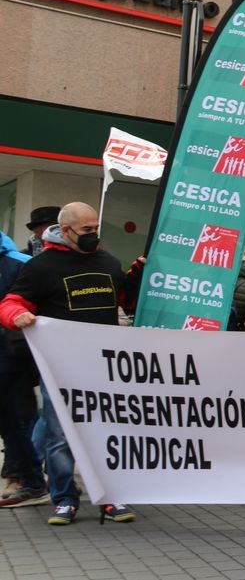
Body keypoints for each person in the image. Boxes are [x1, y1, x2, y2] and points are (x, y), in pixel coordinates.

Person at [0, 202, 142, 525]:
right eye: (87, 230)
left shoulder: (108, 262)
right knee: (60, 436)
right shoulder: (41, 267)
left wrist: (135, 276)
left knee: (108, 435)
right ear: (66, 231)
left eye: (96, 229)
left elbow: (125, 300)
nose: (94, 235)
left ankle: (111, 498)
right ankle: (64, 500)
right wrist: (16, 316)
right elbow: (11, 303)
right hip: (59, 369)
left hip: (104, 369)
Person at [0, 231, 47, 509]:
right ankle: (27, 476)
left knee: (18, 415)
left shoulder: (19, 262)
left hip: (13, 352)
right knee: (9, 419)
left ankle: (28, 477)